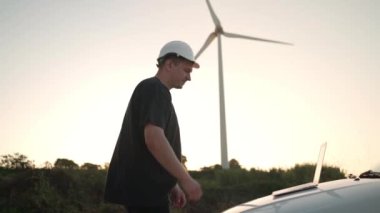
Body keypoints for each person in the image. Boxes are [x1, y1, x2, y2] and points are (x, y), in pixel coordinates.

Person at [104, 40, 203, 213]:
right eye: (187, 70)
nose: (189, 77)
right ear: (170, 64)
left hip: (148, 194)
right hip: (145, 196)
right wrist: (185, 179)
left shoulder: (155, 93)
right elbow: (154, 139)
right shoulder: (154, 89)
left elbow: (150, 148)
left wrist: (172, 185)